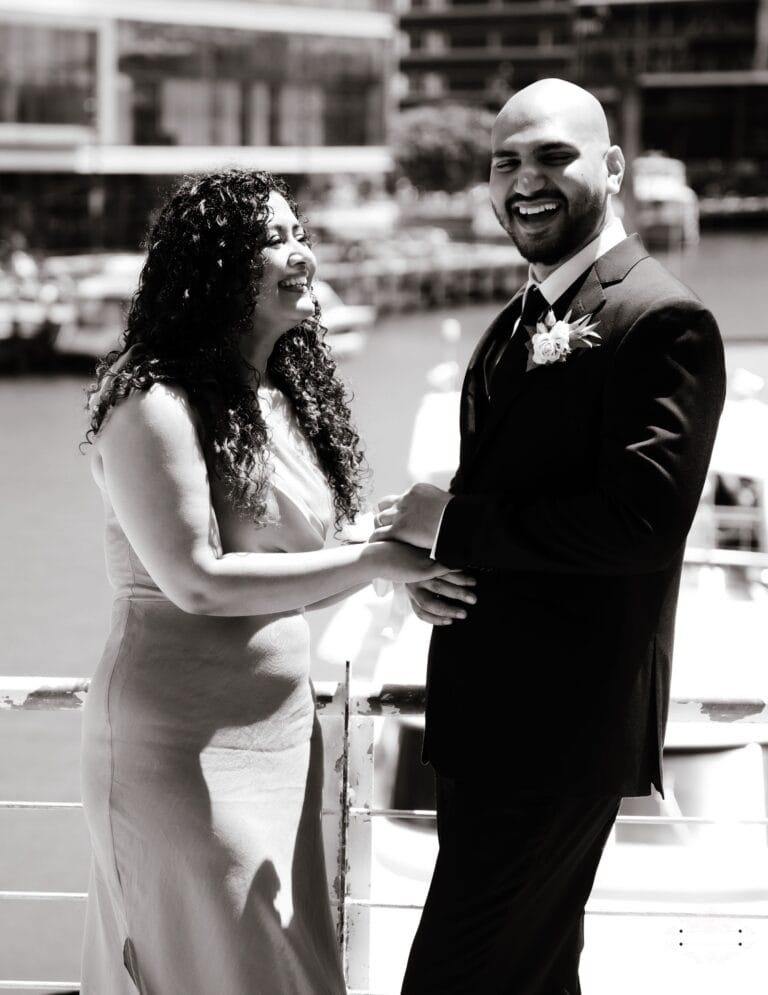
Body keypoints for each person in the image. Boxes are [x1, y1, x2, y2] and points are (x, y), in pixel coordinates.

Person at [373, 79, 726, 994]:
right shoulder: (515, 321)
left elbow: (640, 523)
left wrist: (448, 518)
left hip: (562, 731)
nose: (525, 180)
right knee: (527, 977)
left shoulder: (661, 319)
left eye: (553, 156)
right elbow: (512, 497)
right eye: (507, 161)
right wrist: (435, 563)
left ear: (610, 167)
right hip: (485, 727)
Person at [79, 168, 465, 995]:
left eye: (301, 235)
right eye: (275, 240)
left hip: (283, 739)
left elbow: (290, 576)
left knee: (283, 967)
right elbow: (200, 582)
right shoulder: (153, 401)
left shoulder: (281, 399)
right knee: (219, 963)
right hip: (180, 748)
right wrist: (372, 563)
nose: (302, 255)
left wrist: (394, 546)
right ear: (216, 265)